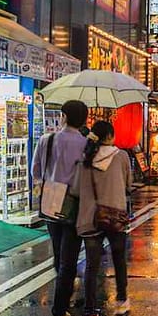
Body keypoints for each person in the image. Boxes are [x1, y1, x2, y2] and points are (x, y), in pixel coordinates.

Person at [61, 121, 132, 316]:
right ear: (110, 135)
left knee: (91, 266)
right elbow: (129, 184)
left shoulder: (85, 159)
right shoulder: (121, 156)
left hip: (90, 217)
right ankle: (121, 301)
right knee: (119, 260)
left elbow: (74, 190)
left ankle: (90, 315)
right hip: (114, 217)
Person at [32, 100, 89, 277]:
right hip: (76, 200)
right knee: (71, 249)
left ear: (63, 116)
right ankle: (66, 285)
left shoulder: (46, 140)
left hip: (52, 198)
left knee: (57, 246)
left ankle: (61, 281)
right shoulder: (87, 144)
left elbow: (36, 170)